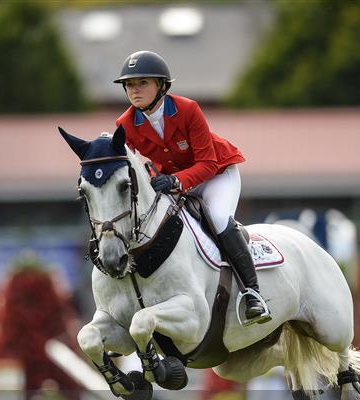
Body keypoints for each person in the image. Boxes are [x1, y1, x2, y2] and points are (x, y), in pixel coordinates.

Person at [115, 50, 270, 324]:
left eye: (142, 83)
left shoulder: (187, 109)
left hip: (217, 174)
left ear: (162, 85)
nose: (134, 90)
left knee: (219, 220)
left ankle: (252, 294)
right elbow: (138, 166)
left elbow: (208, 163)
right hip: (177, 184)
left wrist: (174, 181)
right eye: (129, 85)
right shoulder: (125, 125)